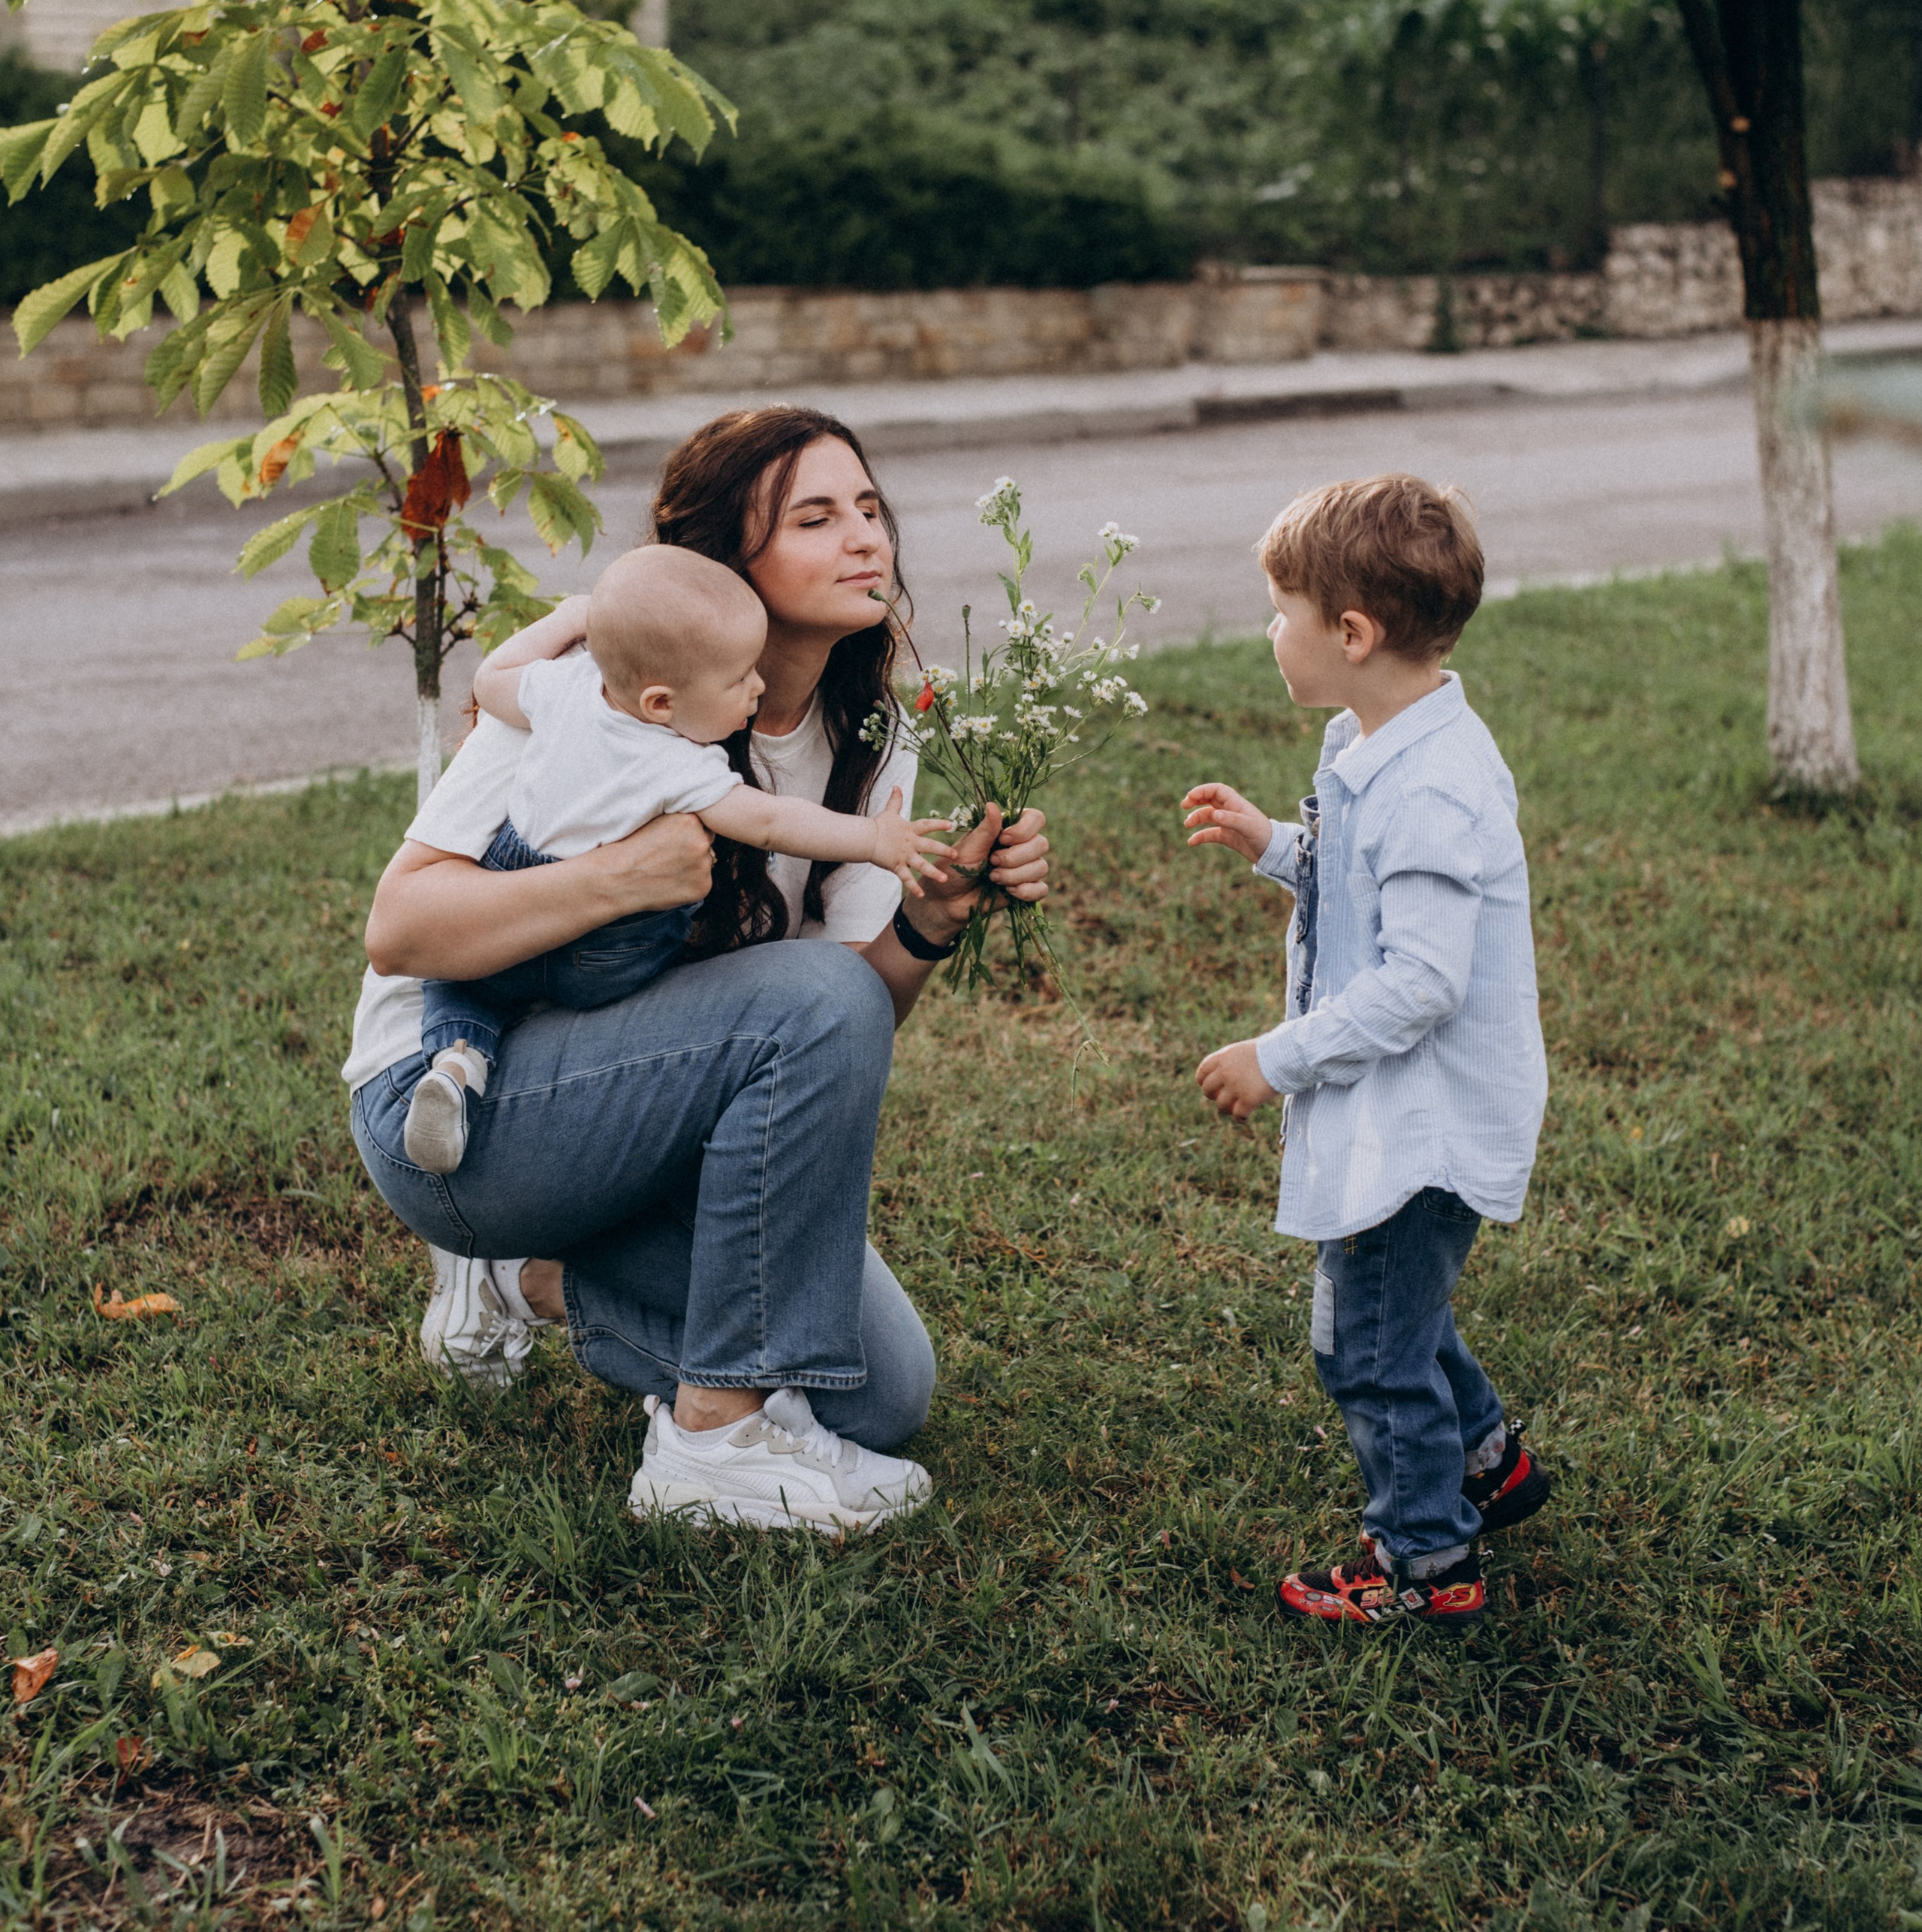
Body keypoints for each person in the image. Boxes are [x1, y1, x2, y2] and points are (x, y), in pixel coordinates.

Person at [343, 406, 1049, 1533]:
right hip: (463, 1114)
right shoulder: (604, 693)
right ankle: (710, 1443)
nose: (866, 538)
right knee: (814, 1006)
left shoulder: (870, 734)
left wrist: (929, 918)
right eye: (816, 518)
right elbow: (403, 928)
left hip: (638, 1117)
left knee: (879, 1392)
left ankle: (534, 1283)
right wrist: (621, 879)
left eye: (869, 508)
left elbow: (836, 1025)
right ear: (726, 560)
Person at [1182, 474, 1551, 1627]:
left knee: (1367, 1342)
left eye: (1282, 611)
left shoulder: (1433, 784)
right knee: (1404, 1312)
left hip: (1423, 1122)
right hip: (1399, 1108)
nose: (1270, 632)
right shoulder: (1374, 735)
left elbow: (1420, 982)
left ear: (1352, 633)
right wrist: (1280, 846)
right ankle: (1488, 1461)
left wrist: (1276, 1055)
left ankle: (1426, 1561)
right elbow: (1363, 888)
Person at [402, 541, 946, 1175]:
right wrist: (874, 840)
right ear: (661, 704)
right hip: (610, 957)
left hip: (514, 909)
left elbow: (489, 680)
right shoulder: (682, 761)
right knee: (684, 953)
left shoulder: (566, 687)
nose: (758, 685)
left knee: (455, 984)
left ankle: (458, 1061)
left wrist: (570, 617)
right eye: (740, 677)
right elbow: (772, 821)